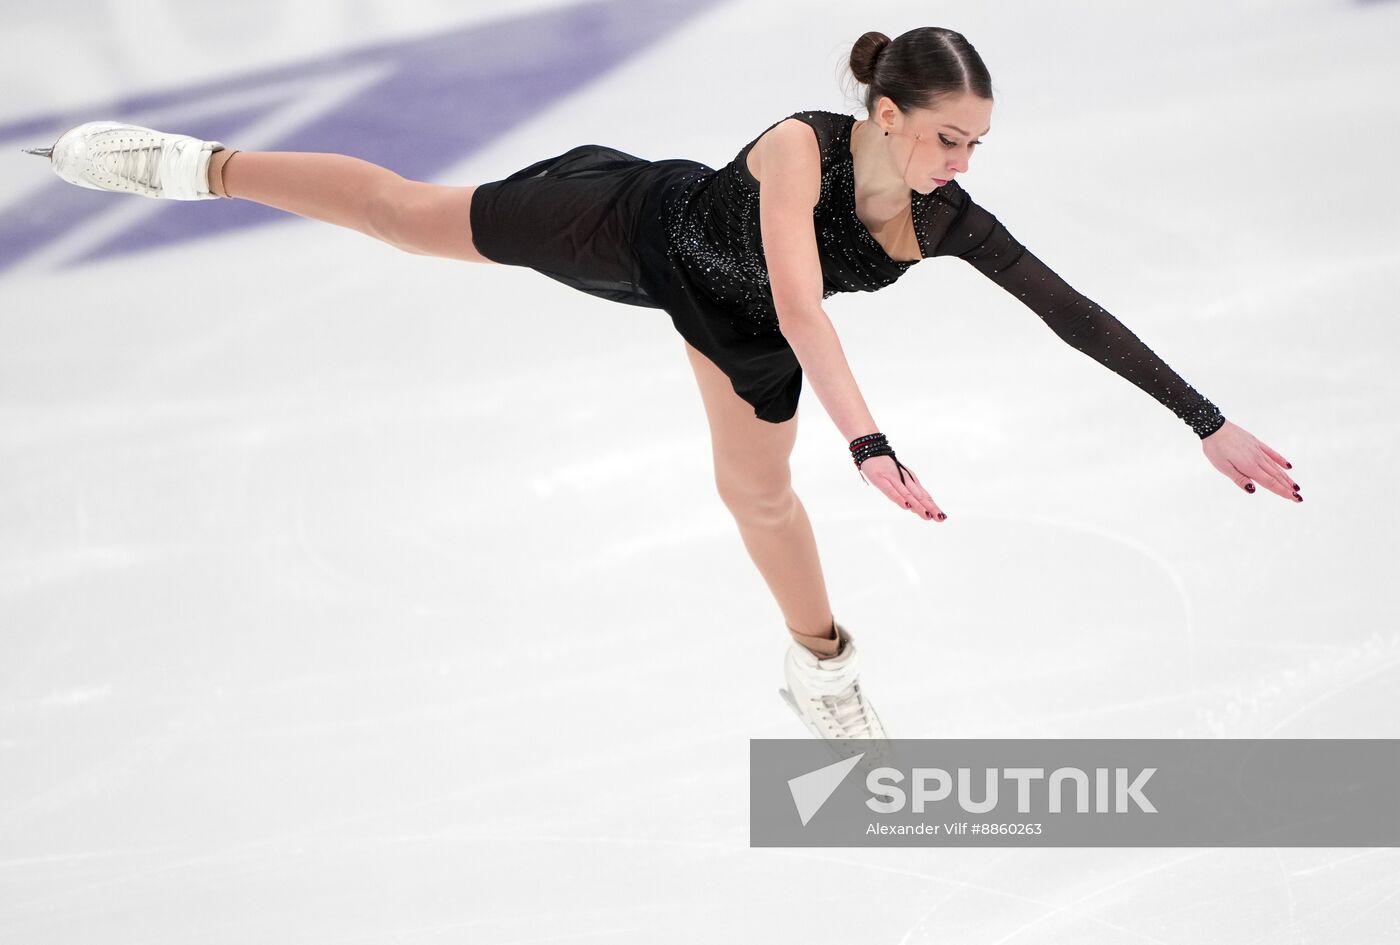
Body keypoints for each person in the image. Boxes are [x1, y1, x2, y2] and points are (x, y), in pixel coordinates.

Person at [25, 26, 1302, 745]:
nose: (961, 163)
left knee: (756, 501)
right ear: (884, 112)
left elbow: (1071, 312)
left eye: (975, 145)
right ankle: (196, 166)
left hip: (735, 327)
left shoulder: (945, 221)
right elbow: (801, 297)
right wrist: (868, 441)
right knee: (408, 217)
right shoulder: (799, 146)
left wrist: (1204, 420)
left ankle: (819, 668)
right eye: (946, 137)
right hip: (638, 230)